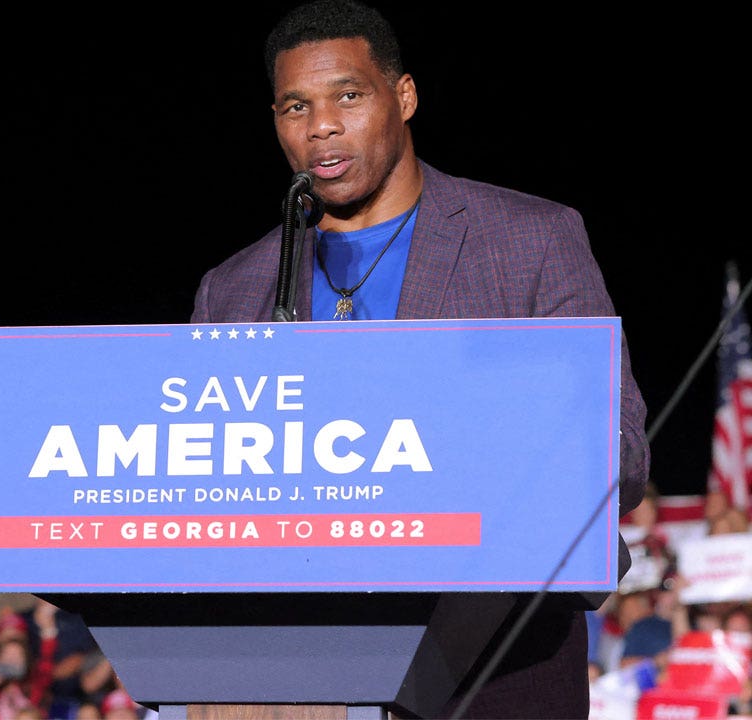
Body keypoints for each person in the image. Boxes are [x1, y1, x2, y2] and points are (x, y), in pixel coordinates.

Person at [188, 2, 650, 718]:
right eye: (295, 106)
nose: (322, 127)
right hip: (288, 663)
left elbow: (616, 450)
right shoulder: (234, 288)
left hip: (492, 663)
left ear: (403, 96)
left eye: (348, 94)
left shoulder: (530, 241)